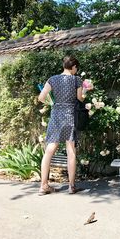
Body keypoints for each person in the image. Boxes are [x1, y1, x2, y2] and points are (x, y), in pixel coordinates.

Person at [38, 56, 84, 195]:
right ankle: (71, 186)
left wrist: (52, 103)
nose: (76, 71)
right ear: (74, 67)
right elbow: (80, 98)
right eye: (76, 68)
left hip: (56, 115)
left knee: (49, 150)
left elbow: (41, 98)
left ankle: (43, 186)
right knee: (71, 151)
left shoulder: (52, 79)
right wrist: (87, 90)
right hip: (70, 115)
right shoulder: (77, 80)